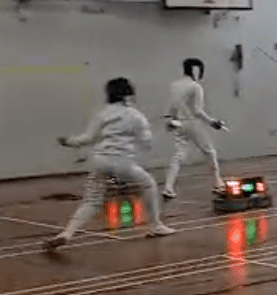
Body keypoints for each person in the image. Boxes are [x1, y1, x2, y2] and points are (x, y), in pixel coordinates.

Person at [45, 78, 175, 250]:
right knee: (148, 184)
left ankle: (66, 233)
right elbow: (147, 143)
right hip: (122, 162)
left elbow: (88, 138)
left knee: (92, 200)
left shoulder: (102, 114)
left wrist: (69, 141)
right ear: (128, 94)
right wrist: (165, 130)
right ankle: (155, 226)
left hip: (100, 161)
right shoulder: (136, 116)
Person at [162, 58, 226, 199]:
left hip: (178, 123)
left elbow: (171, 106)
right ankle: (218, 183)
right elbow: (197, 111)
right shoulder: (195, 87)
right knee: (210, 152)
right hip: (192, 123)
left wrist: (170, 120)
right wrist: (212, 122)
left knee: (178, 156)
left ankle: (168, 187)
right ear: (195, 70)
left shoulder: (175, 85)